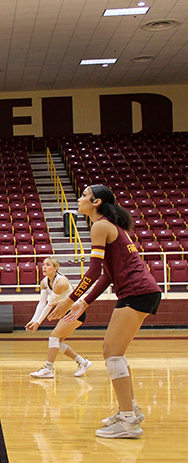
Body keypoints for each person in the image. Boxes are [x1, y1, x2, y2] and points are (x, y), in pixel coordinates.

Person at [49, 185, 162, 439]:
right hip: (143, 291)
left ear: (96, 201)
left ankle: (129, 422)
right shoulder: (111, 227)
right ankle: (130, 409)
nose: (79, 199)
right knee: (116, 354)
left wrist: (70, 299)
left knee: (111, 354)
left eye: (84, 195)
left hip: (137, 292)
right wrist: (84, 302)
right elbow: (107, 275)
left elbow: (93, 272)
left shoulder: (100, 225)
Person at [26, 257, 92, 379]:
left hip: (75, 312)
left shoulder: (60, 283)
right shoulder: (44, 282)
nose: (44, 267)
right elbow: (41, 303)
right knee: (57, 341)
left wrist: (38, 323)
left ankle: (48, 369)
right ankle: (83, 362)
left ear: (56, 268)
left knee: (53, 337)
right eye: (43, 264)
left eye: (48, 265)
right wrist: (33, 320)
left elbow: (49, 304)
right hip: (65, 312)